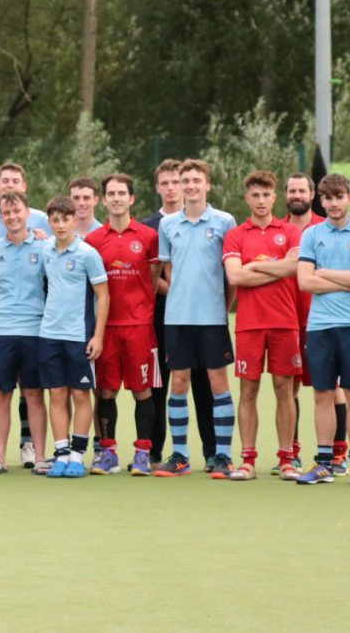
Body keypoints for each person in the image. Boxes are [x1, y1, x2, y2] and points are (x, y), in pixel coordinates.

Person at [155, 159, 237, 479]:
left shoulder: (225, 221)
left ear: (207, 185)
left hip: (212, 318)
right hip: (177, 318)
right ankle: (180, 456)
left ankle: (223, 456)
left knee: (218, 384)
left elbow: (231, 275)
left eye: (196, 180)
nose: (190, 185)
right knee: (178, 382)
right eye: (185, 180)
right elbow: (167, 269)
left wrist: (222, 307)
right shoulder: (167, 225)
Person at [295, 174, 350, 486]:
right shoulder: (311, 234)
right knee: (323, 394)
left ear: (349, 198)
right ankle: (324, 463)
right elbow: (305, 281)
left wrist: (325, 272)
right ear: (321, 200)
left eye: (339, 197)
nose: (333, 203)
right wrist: (347, 280)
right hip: (319, 327)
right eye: (328, 198)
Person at [222, 171, 303, 481]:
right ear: (247, 198)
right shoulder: (236, 235)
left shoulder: (291, 232)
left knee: (285, 389)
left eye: (266, 195)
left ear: (274, 197)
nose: (260, 200)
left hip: (284, 322)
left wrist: (254, 265)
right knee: (248, 390)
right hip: (249, 325)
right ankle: (248, 461)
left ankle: (287, 460)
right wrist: (274, 268)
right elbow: (235, 276)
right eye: (255, 195)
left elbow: (293, 268)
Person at [0, 162, 51, 469]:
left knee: (33, 394)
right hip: (1, 331)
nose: (12, 216)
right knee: (1, 394)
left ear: (27, 213)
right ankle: (0, 458)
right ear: (1, 216)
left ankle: (41, 457)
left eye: (17, 211)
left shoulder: (45, 247)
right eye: (7, 213)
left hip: (35, 330)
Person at [85, 173, 161, 476]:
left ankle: (142, 453)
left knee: (142, 391)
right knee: (106, 391)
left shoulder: (149, 236)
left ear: (131, 199)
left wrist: (141, 306)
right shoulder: (93, 240)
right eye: (111, 194)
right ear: (104, 200)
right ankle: (108, 452)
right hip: (106, 328)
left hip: (139, 327)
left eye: (121, 194)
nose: (116, 199)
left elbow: (154, 279)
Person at [142, 159, 216, 469]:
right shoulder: (149, 225)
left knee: (203, 384)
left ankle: (212, 452)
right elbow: (151, 274)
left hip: (201, 316)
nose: (172, 188)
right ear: (158, 188)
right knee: (161, 384)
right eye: (166, 183)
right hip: (161, 317)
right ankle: (155, 451)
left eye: (177, 182)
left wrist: (194, 296)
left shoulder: (213, 221)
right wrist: (178, 293)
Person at [39, 196, 109, 478]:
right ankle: (61, 454)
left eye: (65, 219)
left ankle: (78, 456)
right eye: (55, 220)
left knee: (80, 394)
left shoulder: (88, 254)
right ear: (49, 222)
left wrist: (98, 336)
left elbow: (103, 296)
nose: (60, 225)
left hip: (79, 336)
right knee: (56, 393)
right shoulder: (45, 249)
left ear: (74, 220)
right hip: (48, 334)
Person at [284, 172, 347, 474]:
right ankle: (293, 452)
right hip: (286, 320)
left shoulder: (326, 227)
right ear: (286, 195)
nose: (297, 195)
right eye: (292, 190)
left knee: (332, 387)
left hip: (321, 320)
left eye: (302, 190)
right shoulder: (277, 229)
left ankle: (338, 453)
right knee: (290, 387)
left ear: (312, 195)